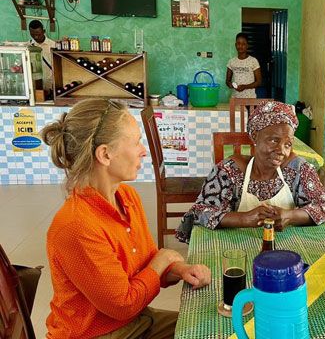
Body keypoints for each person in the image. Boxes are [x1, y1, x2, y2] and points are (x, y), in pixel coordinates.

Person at [41, 99, 211, 338]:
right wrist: (162, 261)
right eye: (136, 142)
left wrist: (181, 269)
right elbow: (123, 304)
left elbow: (146, 262)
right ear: (105, 154)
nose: (143, 150)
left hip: (138, 320)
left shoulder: (127, 197)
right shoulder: (76, 226)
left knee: (211, 329)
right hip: (94, 333)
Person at [176, 101, 325, 242]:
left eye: (287, 144)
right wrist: (244, 218)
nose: (281, 150)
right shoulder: (229, 171)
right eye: (273, 140)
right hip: (236, 248)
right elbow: (200, 212)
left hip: (287, 250)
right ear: (255, 136)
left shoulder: (298, 169)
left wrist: (290, 216)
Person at [225, 32, 262, 99]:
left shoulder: (253, 61)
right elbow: (227, 81)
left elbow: (259, 82)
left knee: (249, 110)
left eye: (243, 44)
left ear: (247, 46)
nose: (240, 46)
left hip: (250, 99)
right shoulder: (231, 62)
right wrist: (230, 84)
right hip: (235, 98)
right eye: (238, 43)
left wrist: (245, 87)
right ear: (235, 45)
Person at [28, 19, 56, 92]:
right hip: (35, 85)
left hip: (52, 84)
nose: (36, 37)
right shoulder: (28, 46)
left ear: (44, 31)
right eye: (33, 34)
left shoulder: (53, 45)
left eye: (38, 34)